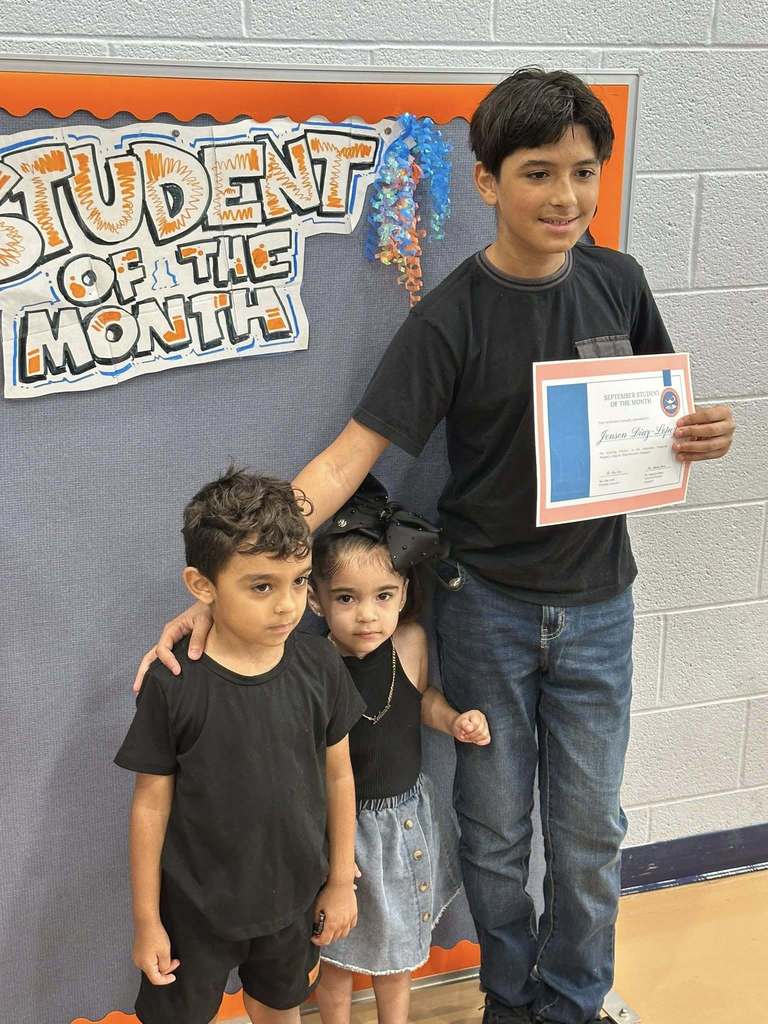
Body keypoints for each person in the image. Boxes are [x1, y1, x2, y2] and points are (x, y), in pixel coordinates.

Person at [135, 69, 736, 1024]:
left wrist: (695, 436)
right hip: (487, 608)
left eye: (585, 171)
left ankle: (573, 1002)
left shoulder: (620, 282)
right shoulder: (451, 314)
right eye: (540, 172)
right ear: (490, 181)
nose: (567, 197)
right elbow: (345, 462)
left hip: (600, 610)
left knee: (588, 834)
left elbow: (651, 420)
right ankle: (507, 1000)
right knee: (495, 834)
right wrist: (230, 581)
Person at [116, 469, 365, 1024]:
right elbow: (150, 806)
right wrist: (146, 920)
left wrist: (341, 878)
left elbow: (340, 775)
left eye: (300, 581)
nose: (287, 605)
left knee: (280, 1009)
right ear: (202, 586)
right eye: (261, 586)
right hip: (193, 914)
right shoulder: (174, 682)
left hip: (292, 902)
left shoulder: (320, 666)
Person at [307, 476, 490, 1024]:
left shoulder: (408, 644)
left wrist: (454, 720)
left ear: (405, 594)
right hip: (345, 834)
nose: (367, 615)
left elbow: (421, 700)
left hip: (406, 821)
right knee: (337, 960)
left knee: (399, 958)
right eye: (347, 599)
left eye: (383, 596)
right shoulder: (312, 664)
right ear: (315, 599)